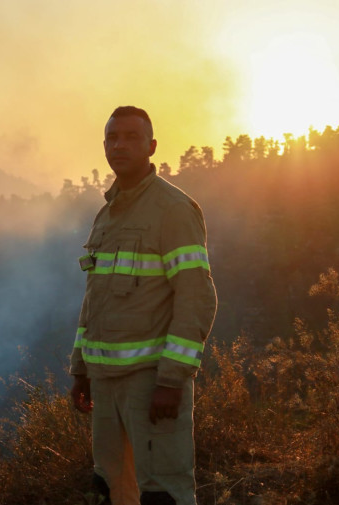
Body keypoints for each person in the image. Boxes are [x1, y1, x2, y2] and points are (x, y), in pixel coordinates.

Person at [70, 106, 217, 505]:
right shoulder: (107, 215)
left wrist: (171, 381)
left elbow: (196, 297)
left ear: (152, 146)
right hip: (105, 383)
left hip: (150, 384)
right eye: (112, 138)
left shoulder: (172, 210)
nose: (120, 145)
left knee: (162, 494)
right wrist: (81, 368)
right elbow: (94, 299)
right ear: (104, 146)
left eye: (132, 137)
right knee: (111, 488)